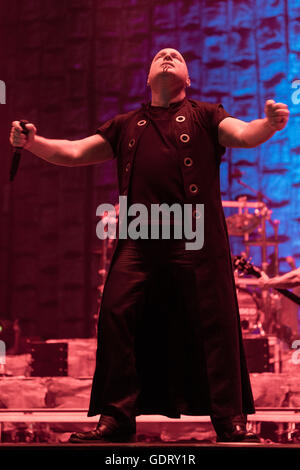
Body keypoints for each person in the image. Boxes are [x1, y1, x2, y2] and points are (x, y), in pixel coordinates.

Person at [10, 48, 289, 443]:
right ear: (147, 78)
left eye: (176, 56)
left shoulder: (207, 115)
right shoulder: (127, 124)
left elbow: (244, 134)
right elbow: (73, 152)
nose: (168, 55)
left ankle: (229, 419)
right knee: (117, 316)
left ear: (188, 81)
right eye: (161, 55)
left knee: (214, 325)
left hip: (197, 239)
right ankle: (118, 418)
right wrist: (33, 142)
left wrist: (269, 124)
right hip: (140, 241)